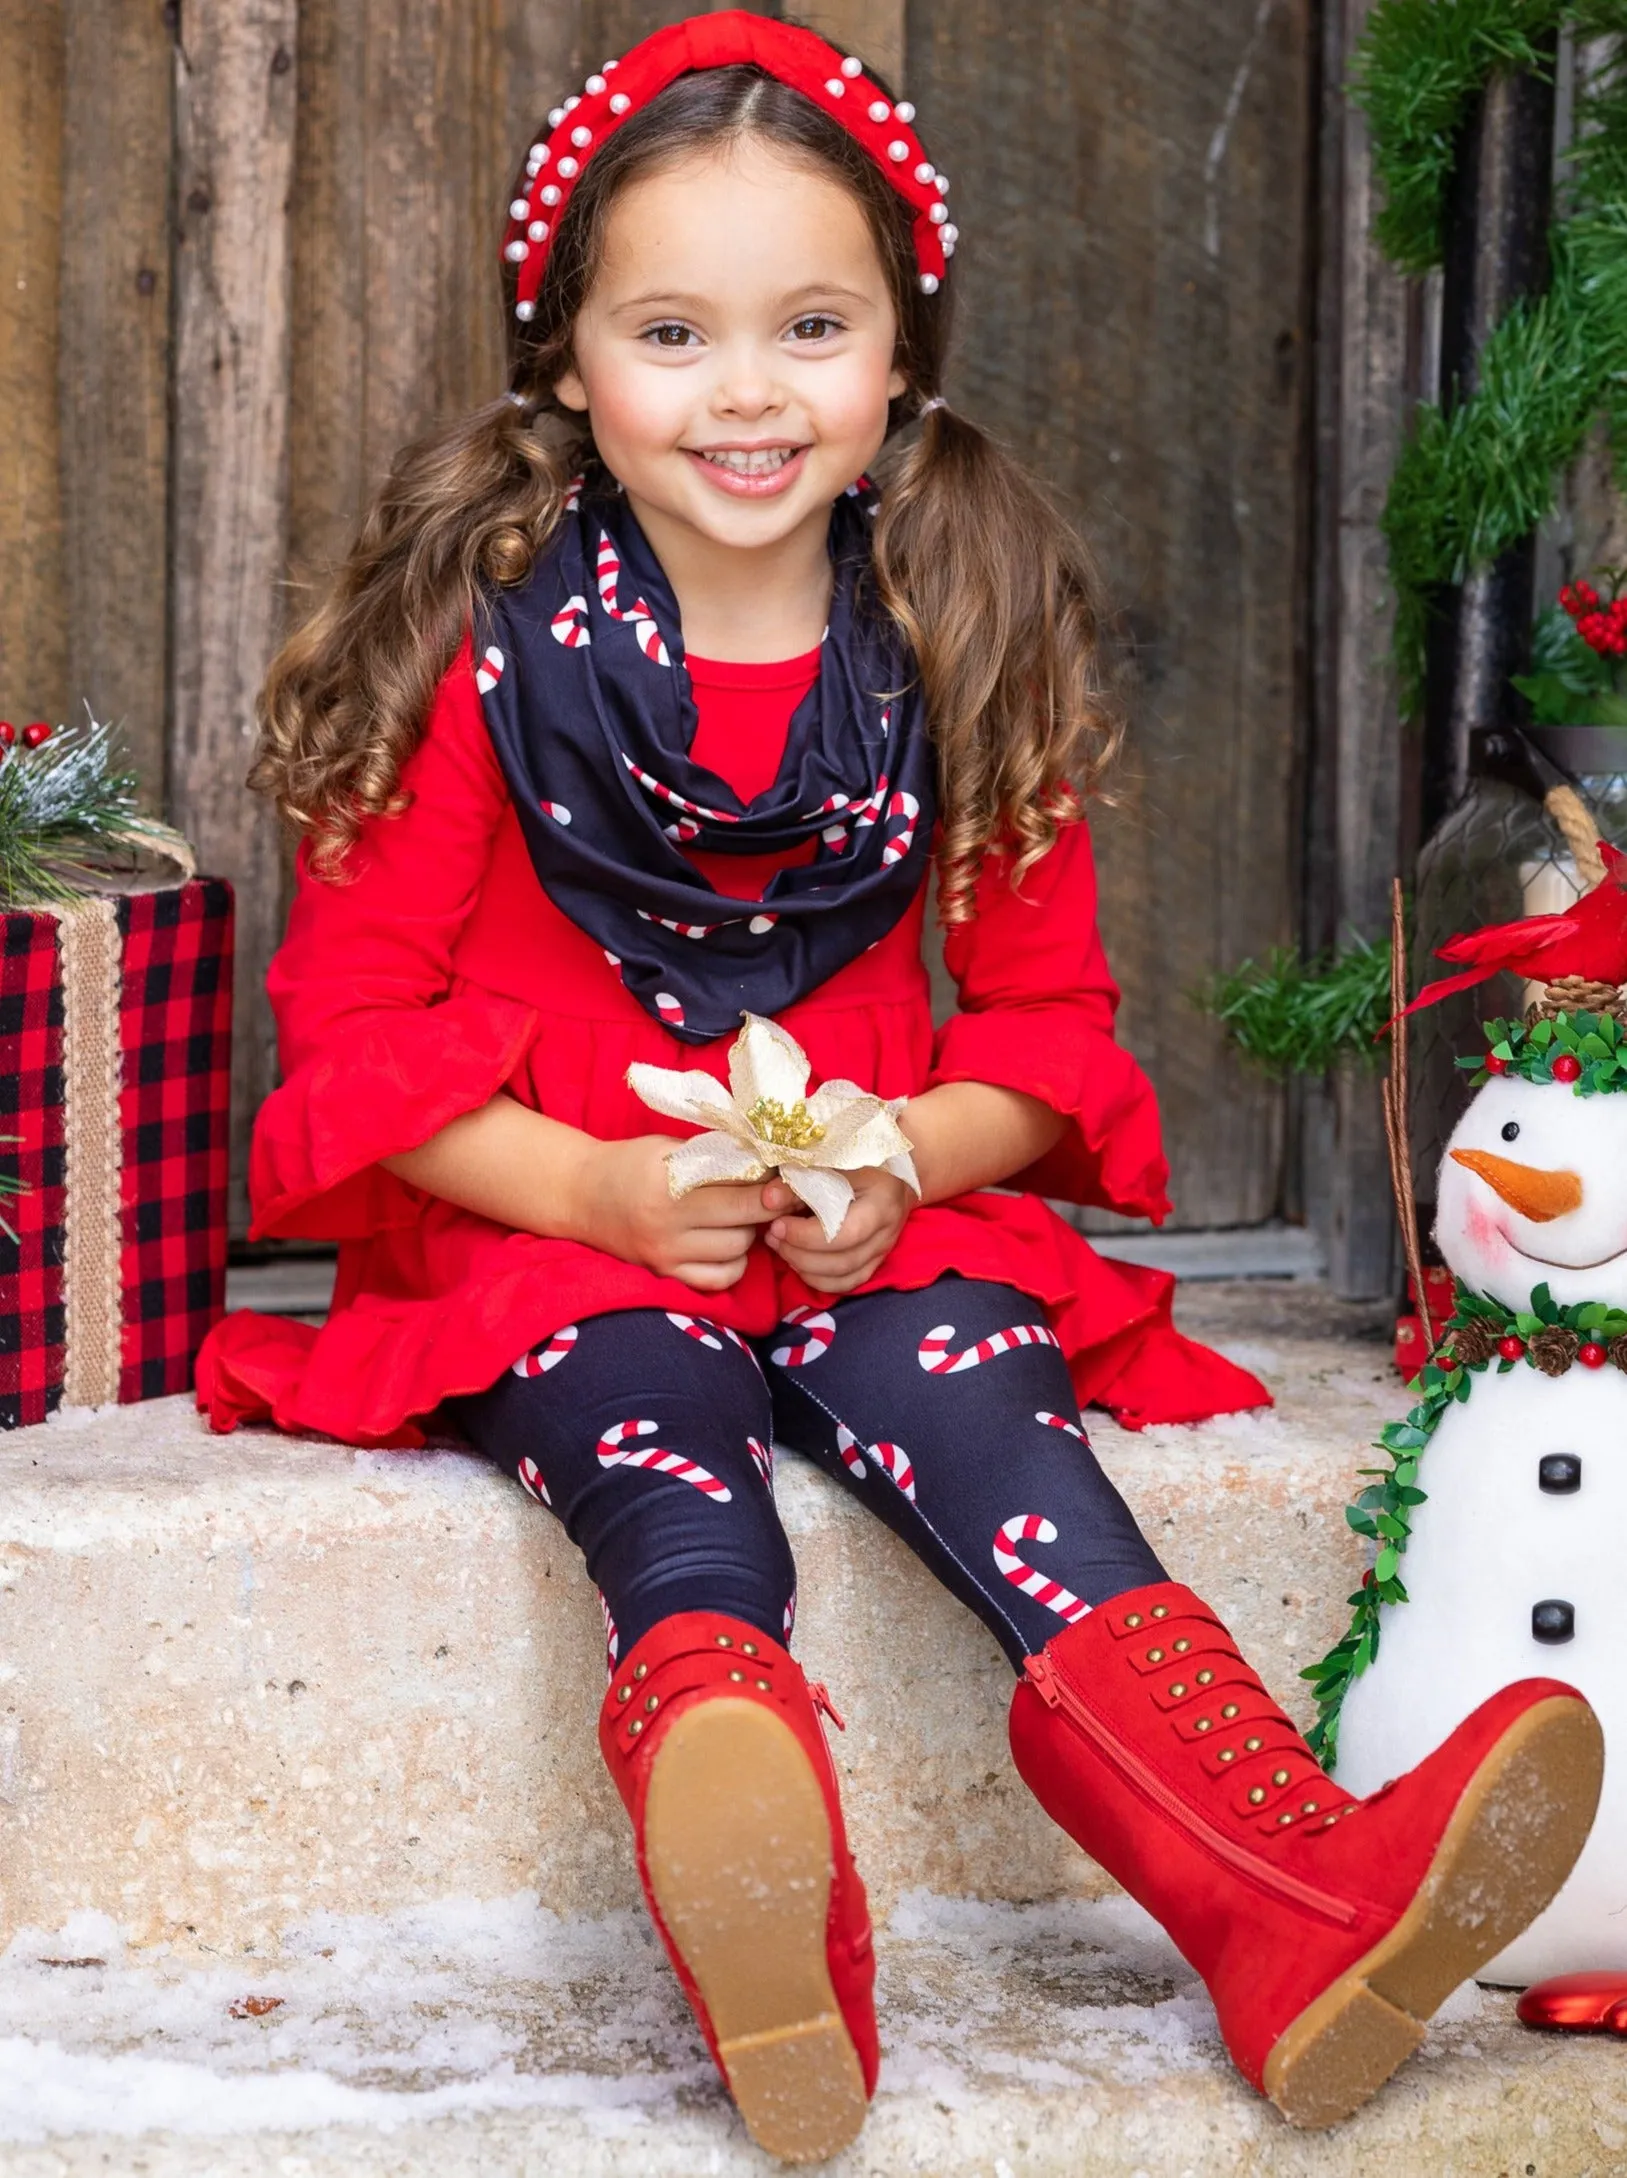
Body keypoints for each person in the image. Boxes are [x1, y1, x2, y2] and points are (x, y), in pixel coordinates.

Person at [198, 15, 1601, 2164]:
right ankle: (766, 1883)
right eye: (675, 330)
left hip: (864, 1210)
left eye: (809, 326)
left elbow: (1049, 1043)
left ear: (894, 360)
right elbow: (361, 1030)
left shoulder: (958, 628)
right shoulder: (477, 651)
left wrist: (899, 1155)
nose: (747, 389)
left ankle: (1283, 1889)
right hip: (558, 1216)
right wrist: (589, 1191)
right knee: (647, 1419)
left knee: (979, 1382)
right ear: (568, 360)